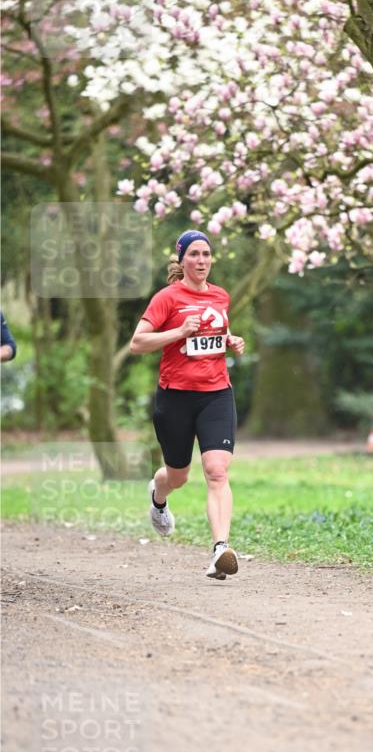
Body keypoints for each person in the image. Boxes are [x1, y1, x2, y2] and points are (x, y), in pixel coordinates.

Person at [129, 230, 245, 580]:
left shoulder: (221, 296)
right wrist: (178, 332)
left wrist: (230, 340)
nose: (201, 261)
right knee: (177, 475)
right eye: (194, 254)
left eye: (206, 254)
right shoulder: (167, 298)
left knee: (216, 470)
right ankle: (158, 496)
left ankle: (220, 550)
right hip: (176, 397)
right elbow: (138, 342)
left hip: (216, 394)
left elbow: (214, 334)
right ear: (182, 260)